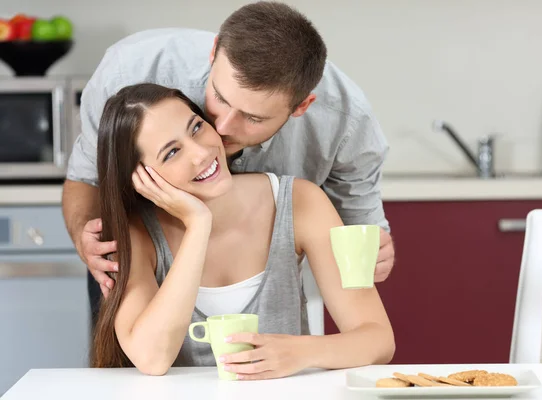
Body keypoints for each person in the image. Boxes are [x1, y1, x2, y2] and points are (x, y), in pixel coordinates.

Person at [62, 2, 395, 322]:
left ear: (301, 106)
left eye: (252, 118)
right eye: (219, 97)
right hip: (138, 273)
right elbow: (86, 180)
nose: (221, 128)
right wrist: (86, 238)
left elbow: (362, 233)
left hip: (270, 293)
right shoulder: (128, 70)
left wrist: (374, 255)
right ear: (214, 51)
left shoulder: (348, 125)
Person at [92, 82, 394, 378]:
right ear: (141, 179)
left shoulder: (299, 201)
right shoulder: (137, 233)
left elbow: (378, 339)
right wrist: (198, 224)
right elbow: (152, 359)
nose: (201, 153)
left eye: (196, 127)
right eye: (171, 153)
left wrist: (301, 352)